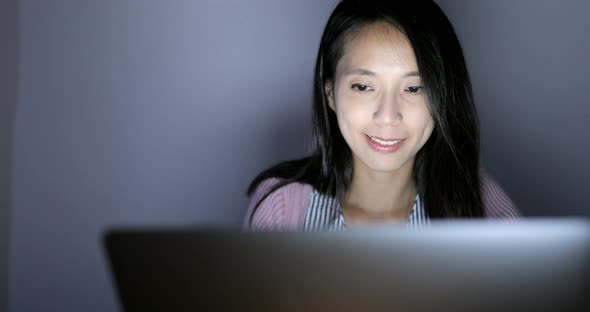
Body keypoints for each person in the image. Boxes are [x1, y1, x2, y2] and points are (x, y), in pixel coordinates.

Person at [243, 0, 519, 231]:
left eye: (414, 88)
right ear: (330, 94)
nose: (388, 116)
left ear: (443, 96)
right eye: (363, 86)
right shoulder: (282, 204)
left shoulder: (478, 198)